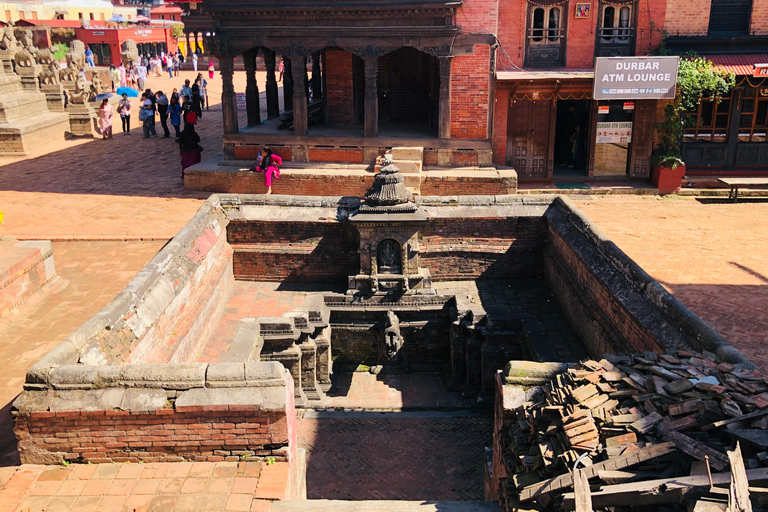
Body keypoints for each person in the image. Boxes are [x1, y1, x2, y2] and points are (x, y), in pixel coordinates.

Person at [179, 112, 202, 176]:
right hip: (193, 149)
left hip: (186, 150)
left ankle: (184, 173)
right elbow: (198, 140)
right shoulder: (193, 133)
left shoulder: (182, 133)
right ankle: (194, 172)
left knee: (185, 163)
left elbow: (180, 142)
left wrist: (181, 149)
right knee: (193, 161)